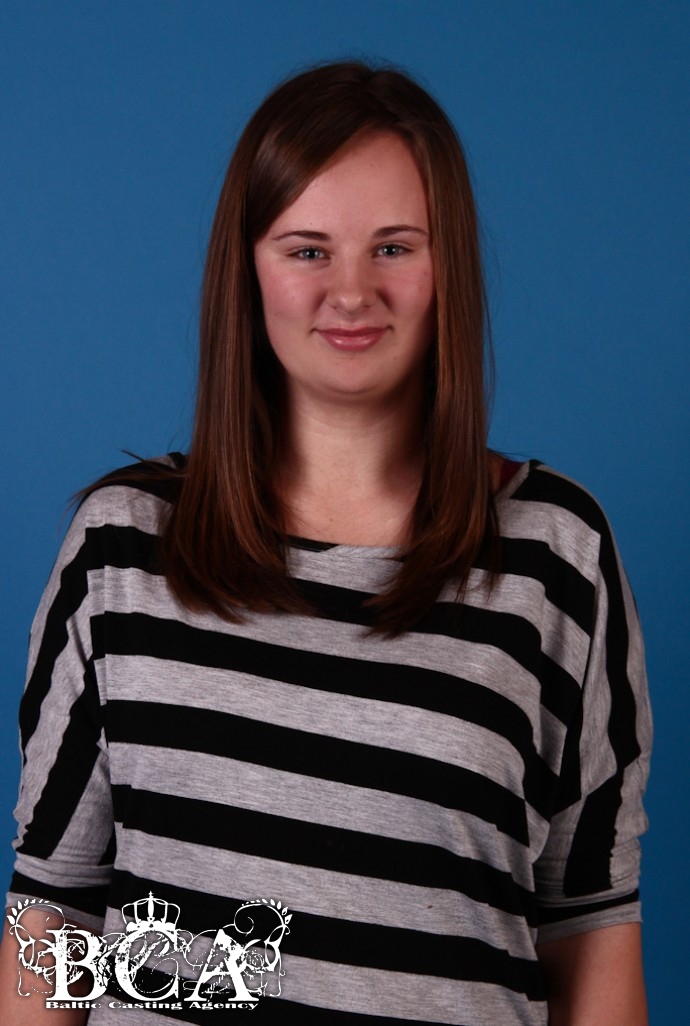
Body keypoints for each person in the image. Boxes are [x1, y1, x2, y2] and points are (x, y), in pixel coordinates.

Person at [0, 61, 651, 1025]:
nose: (352, 292)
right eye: (308, 249)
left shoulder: (556, 553)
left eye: (394, 247)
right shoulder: (122, 549)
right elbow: (53, 911)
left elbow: (590, 929)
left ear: (448, 268)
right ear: (248, 269)